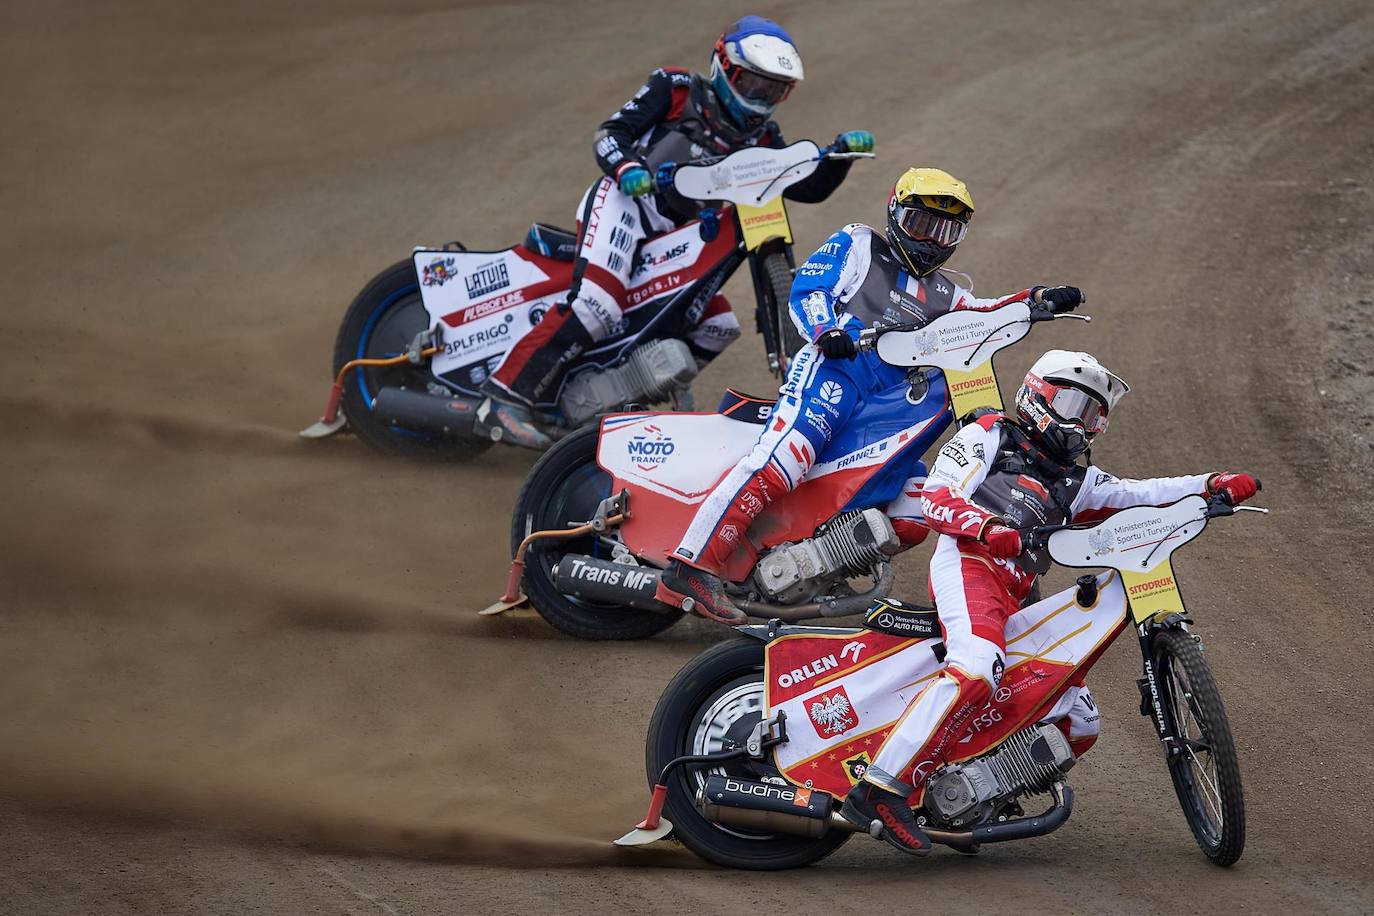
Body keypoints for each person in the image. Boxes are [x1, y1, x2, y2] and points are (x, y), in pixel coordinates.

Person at [838, 349, 1261, 854]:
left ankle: (970, 798)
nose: (1081, 424)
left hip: (1018, 592)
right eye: (1072, 404)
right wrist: (987, 526)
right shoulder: (991, 434)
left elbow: (1141, 494)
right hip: (969, 565)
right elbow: (937, 495)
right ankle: (881, 789)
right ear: (1038, 393)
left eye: (1093, 415)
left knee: (1078, 718)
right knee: (976, 665)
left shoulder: (1076, 481)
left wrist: (1210, 485)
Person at [654, 166, 1087, 623]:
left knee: (919, 502)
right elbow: (808, 289)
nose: (932, 241)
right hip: (834, 373)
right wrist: (826, 330)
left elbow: (987, 313)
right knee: (784, 462)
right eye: (923, 225)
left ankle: (819, 569)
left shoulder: (948, 293)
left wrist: (1037, 300)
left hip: (888, 404)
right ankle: (690, 566)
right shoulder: (861, 243)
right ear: (895, 213)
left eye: (946, 231)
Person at [478, 15, 870, 448]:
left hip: (681, 232)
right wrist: (628, 168)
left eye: (773, 89)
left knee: (719, 324)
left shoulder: (763, 138)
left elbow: (805, 187)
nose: (760, 97)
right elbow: (610, 134)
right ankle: (503, 397)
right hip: (626, 203)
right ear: (723, 66)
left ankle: (604, 407)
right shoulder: (675, 88)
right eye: (752, 83)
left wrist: (839, 159)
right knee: (597, 304)